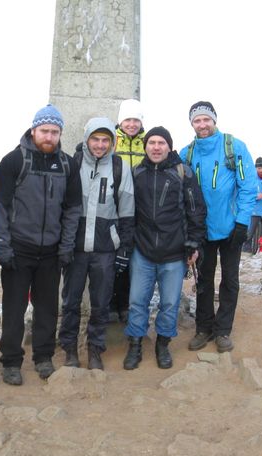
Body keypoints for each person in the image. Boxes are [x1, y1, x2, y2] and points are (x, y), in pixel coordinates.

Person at [0, 104, 82, 385]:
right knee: (14, 309)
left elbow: (73, 209)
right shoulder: (14, 161)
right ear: (33, 130)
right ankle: (11, 361)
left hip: (51, 252)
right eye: (44, 130)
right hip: (19, 249)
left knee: (47, 309)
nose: (49, 136)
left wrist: (66, 246)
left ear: (60, 133)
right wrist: (3, 245)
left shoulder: (68, 165)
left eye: (54, 132)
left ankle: (43, 357)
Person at [123, 127, 207, 370]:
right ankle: (135, 345)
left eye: (161, 143)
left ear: (169, 147)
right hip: (143, 250)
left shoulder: (183, 172)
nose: (156, 147)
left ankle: (163, 344)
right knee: (137, 301)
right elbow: (128, 211)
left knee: (169, 304)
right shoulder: (137, 173)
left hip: (174, 252)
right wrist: (128, 242)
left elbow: (196, 210)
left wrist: (194, 242)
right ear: (145, 146)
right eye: (152, 142)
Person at [179, 101, 258, 353]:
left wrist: (242, 222)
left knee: (230, 280)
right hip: (201, 230)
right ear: (192, 124)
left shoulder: (234, 147)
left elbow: (248, 186)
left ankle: (223, 330)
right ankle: (204, 328)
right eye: (197, 120)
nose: (202, 124)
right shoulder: (186, 154)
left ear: (214, 120)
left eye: (206, 119)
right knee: (203, 281)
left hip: (231, 227)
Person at [58, 117, 134, 370]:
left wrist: (124, 248)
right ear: (86, 139)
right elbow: (63, 206)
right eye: (95, 139)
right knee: (70, 302)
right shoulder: (73, 164)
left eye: (105, 140)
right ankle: (69, 349)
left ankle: (95, 350)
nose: (100, 145)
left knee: (101, 303)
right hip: (76, 247)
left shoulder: (120, 168)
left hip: (105, 248)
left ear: (112, 142)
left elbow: (127, 211)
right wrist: (64, 245)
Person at [111, 98, 146, 322]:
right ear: (120, 121)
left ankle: (125, 304)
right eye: (127, 120)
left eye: (136, 120)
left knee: (133, 258)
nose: (132, 124)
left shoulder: (148, 141)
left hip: (141, 209)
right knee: (114, 257)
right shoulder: (112, 140)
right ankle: (111, 304)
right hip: (115, 207)